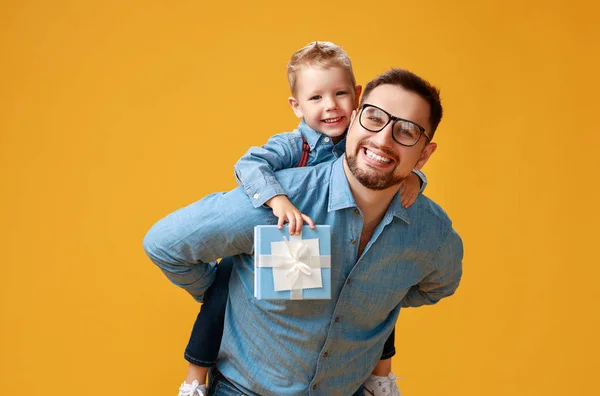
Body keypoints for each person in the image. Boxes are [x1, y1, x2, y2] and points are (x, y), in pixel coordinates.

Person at [144, 67, 463, 396]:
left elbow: (439, 285)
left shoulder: (432, 233)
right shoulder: (279, 199)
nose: (383, 138)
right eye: (373, 117)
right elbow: (165, 245)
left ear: (424, 154)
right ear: (353, 119)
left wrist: (375, 298)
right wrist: (228, 294)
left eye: (407, 130)